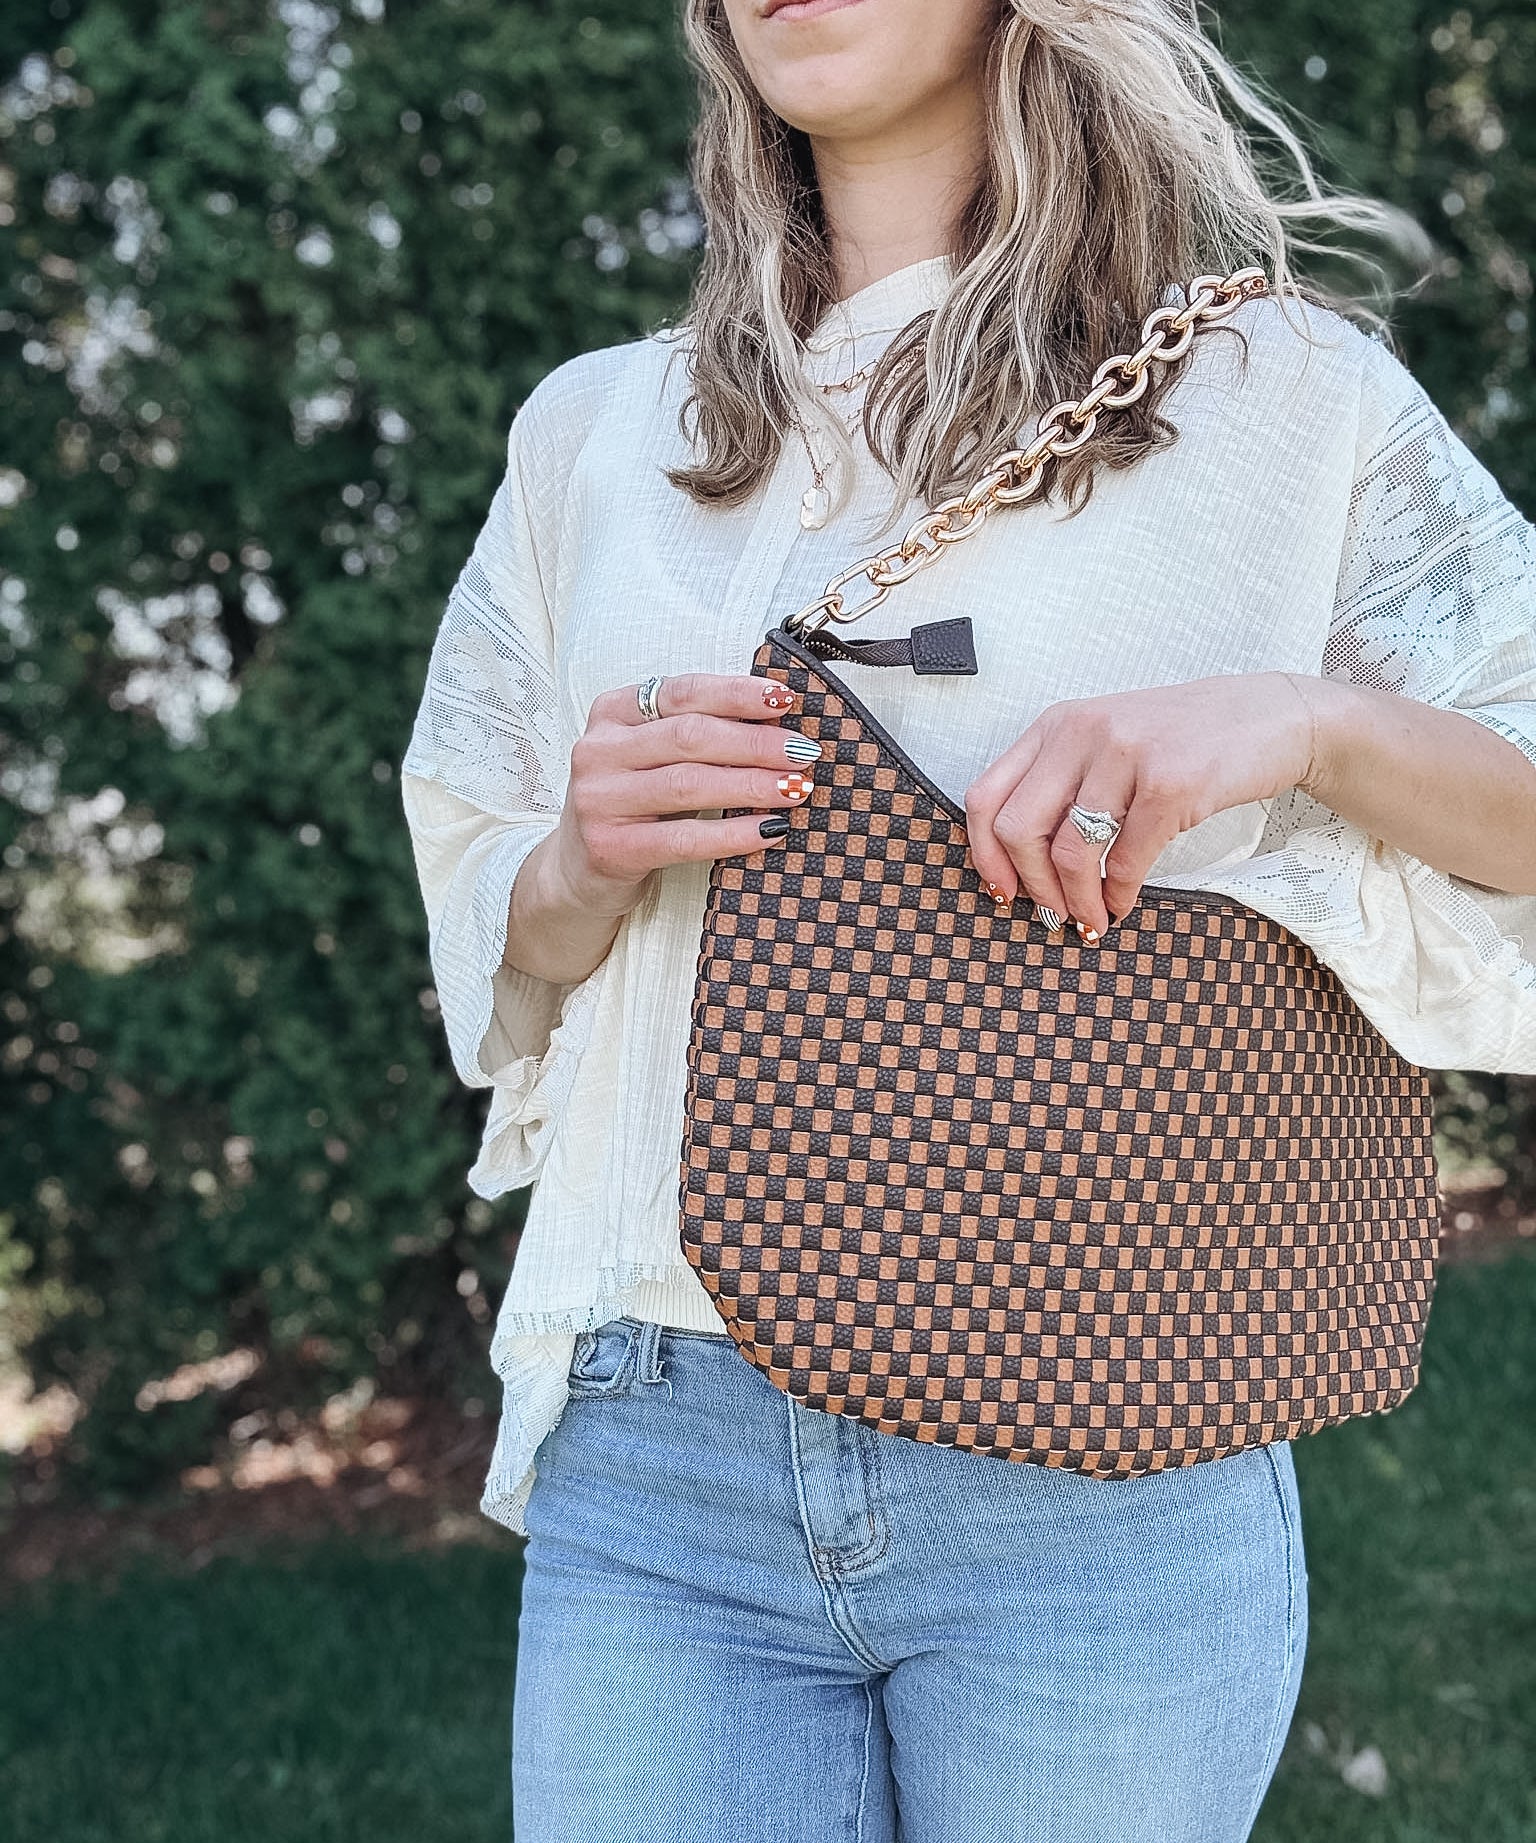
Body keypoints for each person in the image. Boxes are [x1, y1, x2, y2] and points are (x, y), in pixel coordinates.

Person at [399, 1, 1536, 1836]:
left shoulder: (1276, 398)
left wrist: (1306, 723)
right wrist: (574, 864)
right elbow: (502, 934)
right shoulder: (595, 435)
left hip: (1103, 1444)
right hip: (657, 1451)